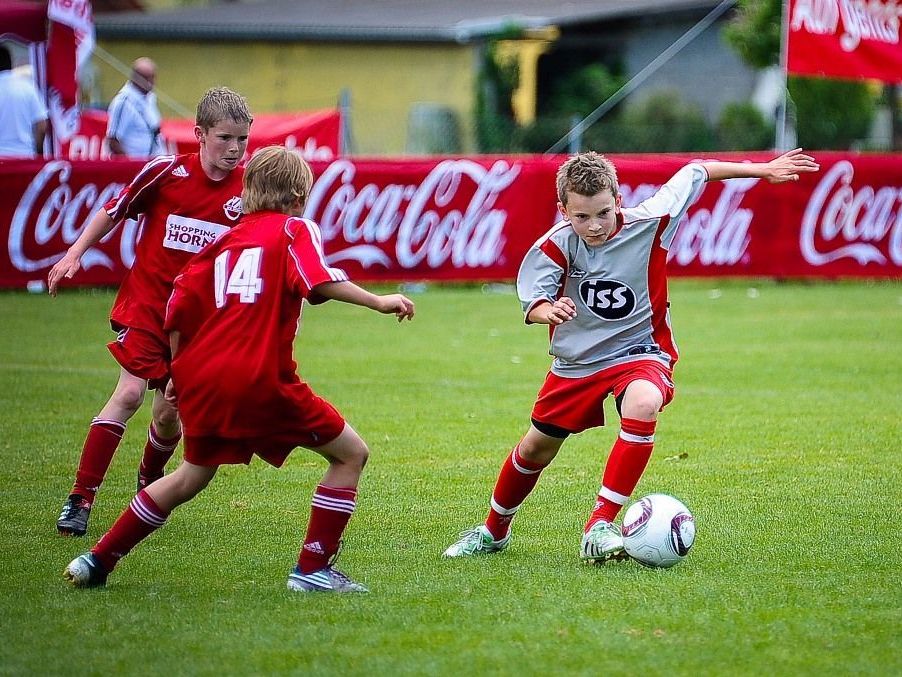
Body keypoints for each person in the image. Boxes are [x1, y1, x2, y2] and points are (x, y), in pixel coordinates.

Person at [64, 145, 416, 593]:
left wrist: (178, 375)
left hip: (203, 379)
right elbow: (319, 279)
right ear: (298, 198)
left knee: (191, 476)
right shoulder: (294, 229)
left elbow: (178, 309)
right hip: (261, 378)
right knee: (351, 455)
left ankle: (96, 560)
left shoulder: (221, 243)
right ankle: (312, 569)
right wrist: (378, 301)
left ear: (248, 191)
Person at [443, 148, 820, 562]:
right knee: (536, 449)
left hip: (640, 349)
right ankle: (493, 532)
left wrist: (763, 170)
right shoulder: (554, 246)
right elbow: (534, 301)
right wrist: (547, 310)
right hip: (578, 362)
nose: (594, 225)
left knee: (643, 402)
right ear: (563, 210)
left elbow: (697, 170)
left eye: (604, 213)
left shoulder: (651, 221)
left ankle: (600, 524)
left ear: (618, 201)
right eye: (581, 216)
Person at [48, 87, 253, 537]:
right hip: (147, 307)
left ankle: (149, 484)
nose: (234, 148)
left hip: (197, 324)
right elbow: (113, 210)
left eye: (242, 139)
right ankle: (80, 499)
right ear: (199, 134)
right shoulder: (165, 172)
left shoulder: (249, 191)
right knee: (128, 395)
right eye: (224, 138)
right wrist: (75, 253)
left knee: (168, 414)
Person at [106, 57, 166, 158]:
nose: (151, 82)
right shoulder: (123, 102)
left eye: (153, 77)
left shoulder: (150, 98)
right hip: (136, 163)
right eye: (146, 78)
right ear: (135, 78)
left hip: (152, 161)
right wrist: (131, 163)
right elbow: (113, 141)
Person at [0, 45, 48, 158]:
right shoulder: (27, 86)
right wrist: (39, 152)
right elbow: (42, 126)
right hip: (24, 156)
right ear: (11, 63)